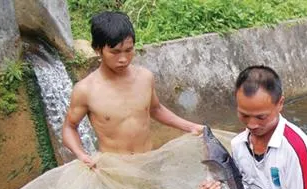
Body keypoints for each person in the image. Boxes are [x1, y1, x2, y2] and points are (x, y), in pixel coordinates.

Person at [62, 11, 203, 165]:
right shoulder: (85, 90)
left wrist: (191, 126)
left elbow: (156, 109)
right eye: (115, 52)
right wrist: (82, 155)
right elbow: (69, 127)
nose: (123, 59)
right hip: (115, 170)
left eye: (129, 50)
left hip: (149, 162)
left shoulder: (145, 77)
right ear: (97, 49)